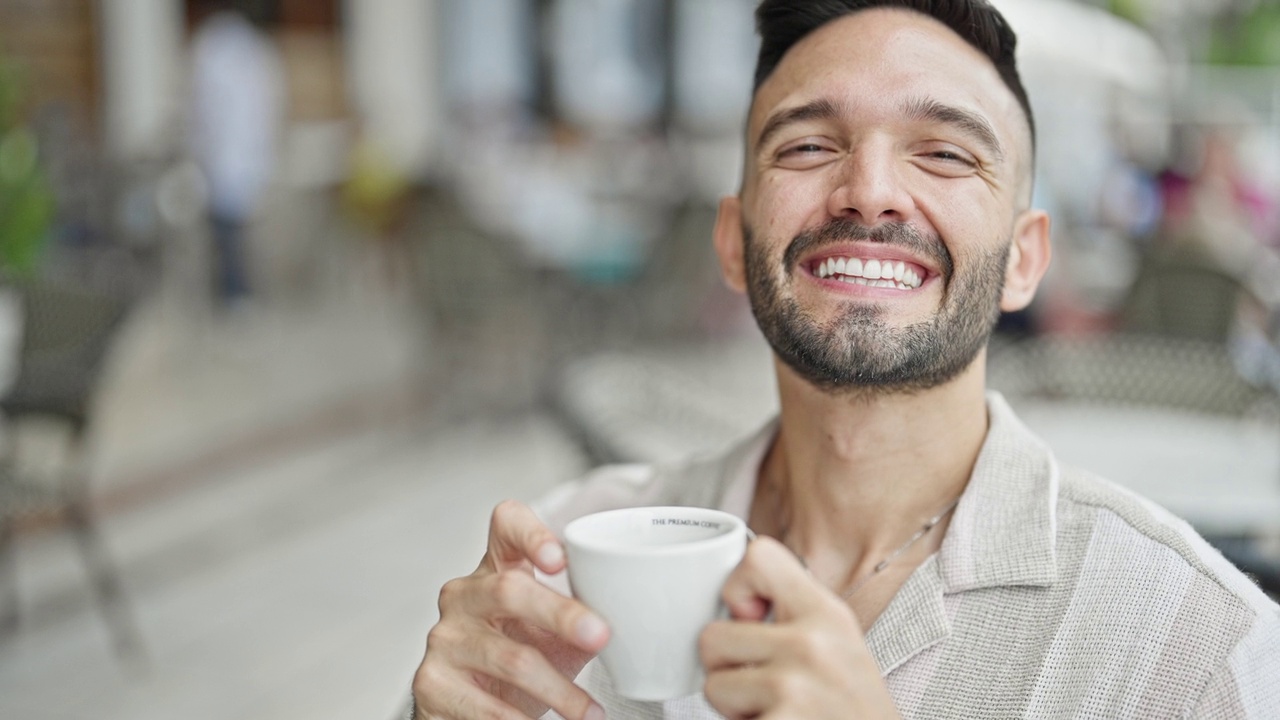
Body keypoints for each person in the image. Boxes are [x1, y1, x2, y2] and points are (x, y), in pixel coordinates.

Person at [411, 1, 1280, 718]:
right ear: (732, 240)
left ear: (1024, 259)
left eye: (944, 153)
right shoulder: (565, 560)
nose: (868, 189)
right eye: (807, 146)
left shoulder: (1198, 647)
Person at [187, 0, 284, 308]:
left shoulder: (240, 48)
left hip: (237, 154)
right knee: (228, 232)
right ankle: (234, 294)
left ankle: (238, 293)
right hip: (228, 155)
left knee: (234, 232)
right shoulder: (221, 46)